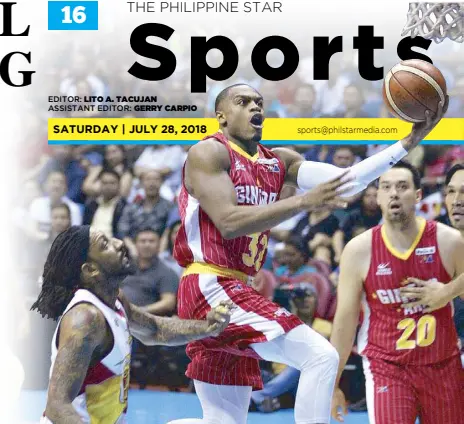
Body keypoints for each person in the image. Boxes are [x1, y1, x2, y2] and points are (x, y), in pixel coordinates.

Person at [169, 83, 447, 424]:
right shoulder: (209, 153)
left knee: (221, 422)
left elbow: (347, 181)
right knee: (322, 357)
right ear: (221, 116)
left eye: (259, 101)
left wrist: (408, 142)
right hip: (210, 285)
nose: (255, 107)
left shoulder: (279, 161)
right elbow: (228, 222)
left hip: (236, 286)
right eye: (243, 102)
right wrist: (302, 200)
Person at [31, 225, 232, 424]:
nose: (119, 244)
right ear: (91, 269)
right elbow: (57, 406)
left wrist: (207, 327)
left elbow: (154, 329)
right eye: (105, 244)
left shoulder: (115, 299)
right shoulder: (85, 319)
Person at [330, 161, 464, 424]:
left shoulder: (449, 241)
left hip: (443, 365)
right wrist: (332, 384)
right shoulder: (359, 250)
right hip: (387, 367)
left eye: (402, 187)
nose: (393, 193)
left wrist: (447, 292)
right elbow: (344, 323)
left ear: (417, 196)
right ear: (377, 196)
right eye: (386, 187)